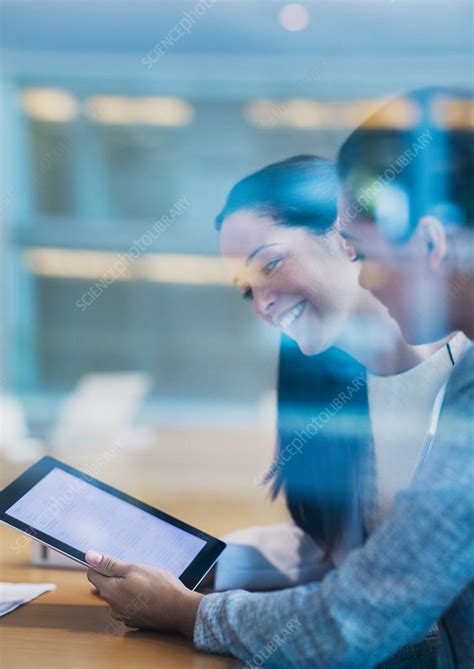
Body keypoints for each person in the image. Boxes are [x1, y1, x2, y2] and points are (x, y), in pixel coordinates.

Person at [84, 139, 472, 668]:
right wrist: (186, 561)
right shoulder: (335, 384)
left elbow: (374, 607)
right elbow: (344, 547)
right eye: (247, 290)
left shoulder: (461, 383)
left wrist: (186, 611)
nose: (263, 304)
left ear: (346, 236)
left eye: (269, 265)